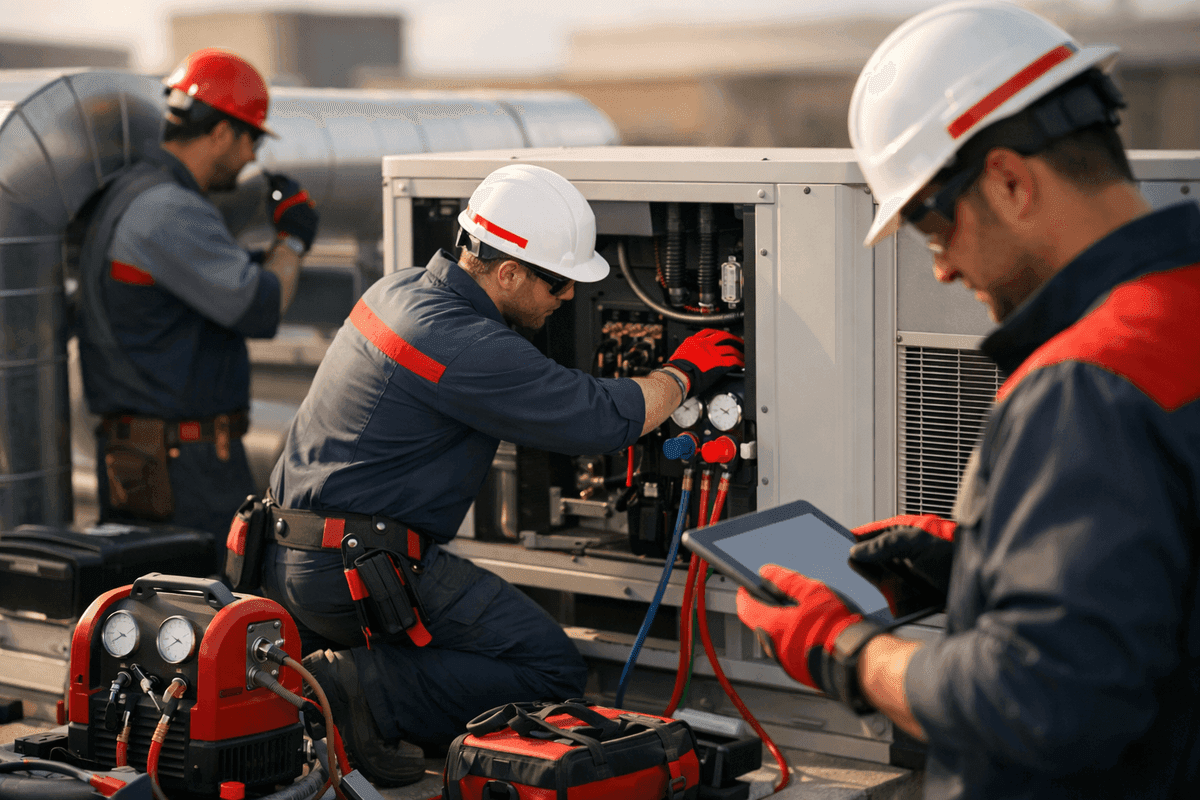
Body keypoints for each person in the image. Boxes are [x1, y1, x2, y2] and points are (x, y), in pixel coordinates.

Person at [736, 2, 1200, 797]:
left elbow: (1044, 702)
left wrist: (844, 649)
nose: (943, 269)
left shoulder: (1086, 381)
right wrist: (981, 562)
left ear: (1011, 182)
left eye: (933, 230)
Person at [261, 163, 745, 786]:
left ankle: (361, 701)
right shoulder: (464, 342)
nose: (567, 298)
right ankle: (359, 690)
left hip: (292, 557)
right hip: (352, 569)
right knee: (550, 670)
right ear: (509, 272)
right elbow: (600, 419)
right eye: (559, 283)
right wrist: (683, 373)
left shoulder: (398, 290)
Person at [75, 48, 319, 544]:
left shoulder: (132, 191)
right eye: (252, 139)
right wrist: (292, 239)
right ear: (222, 132)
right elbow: (260, 306)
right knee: (203, 589)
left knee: (152, 589)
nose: (252, 157)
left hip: (150, 459)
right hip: (184, 470)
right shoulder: (169, 209)